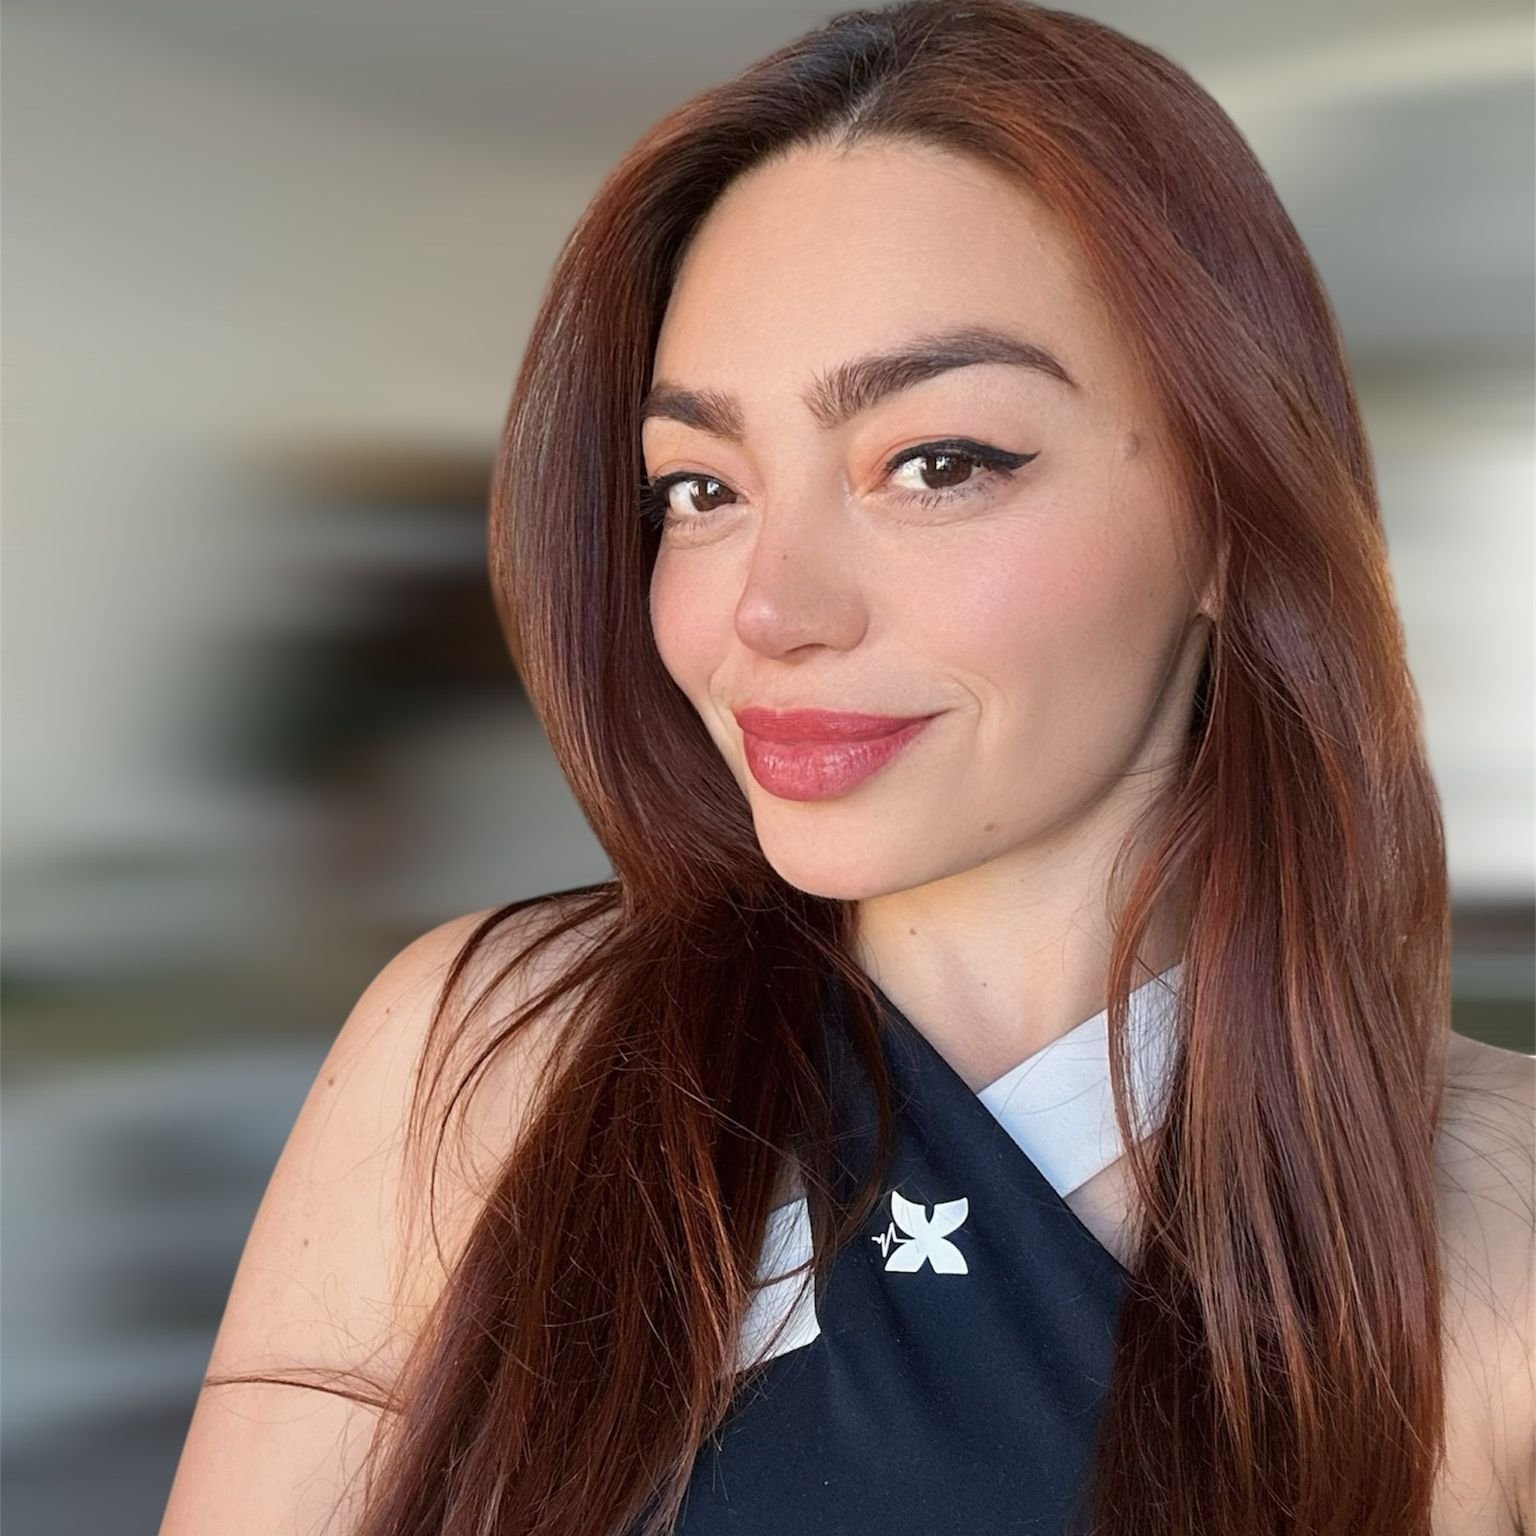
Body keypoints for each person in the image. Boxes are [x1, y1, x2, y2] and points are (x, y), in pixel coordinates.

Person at [158, 2, 1534, 1533]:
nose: (770, 610)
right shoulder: (489, 1061)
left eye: (936, 464)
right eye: (701, 488)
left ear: (1233, 511)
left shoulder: (1498, 1220)